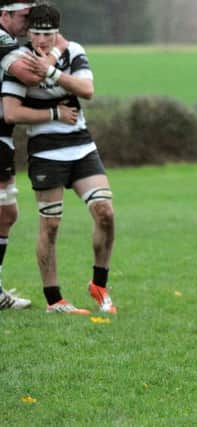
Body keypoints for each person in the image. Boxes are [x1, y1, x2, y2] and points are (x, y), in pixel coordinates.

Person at [1, 3, 116, 314]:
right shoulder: (20, 61)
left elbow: (87, 89)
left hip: (81, 147)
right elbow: (11, 111)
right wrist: (54, 112)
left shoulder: (73, 51)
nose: (42, 40)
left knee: (105, 212)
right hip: (46, 152)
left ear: (57, 35)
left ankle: (99, 285)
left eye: (48, 34)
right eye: (36, 33)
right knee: (50, 225)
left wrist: (52, 71)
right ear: (29, 34)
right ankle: (55, 301)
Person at [0, 0, 68, 310]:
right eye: (26, 17)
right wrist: (54, 53)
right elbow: (29, 76)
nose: (30, 25)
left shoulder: (13, 40)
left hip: (3, 138)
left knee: (7, 213)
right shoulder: (2, 40)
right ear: (5, 15)